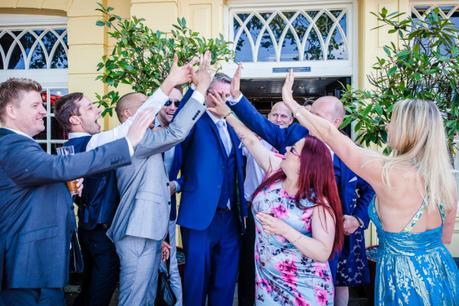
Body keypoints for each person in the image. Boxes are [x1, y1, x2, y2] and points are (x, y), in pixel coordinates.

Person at [281, 70, 459, 305]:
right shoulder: (444, 180)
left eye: (393, 121)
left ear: (408, 130)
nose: (387, 126)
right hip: (442, 271)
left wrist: (291, 102)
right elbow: (445, 238)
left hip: (404, 281)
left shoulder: (388, 173)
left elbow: (331, 135)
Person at [53, 55, 193, 306]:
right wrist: (169, 81)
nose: (97, 109)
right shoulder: (92, 142)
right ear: (74, 119)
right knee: (103, 291)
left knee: (94, 289)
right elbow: (134, 125)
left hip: (92, 228)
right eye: (89, 108)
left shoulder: (70, 147)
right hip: (101, 229)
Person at [0, 78, 154, 306]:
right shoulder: (11, 145)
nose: (43, 112)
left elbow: (28, 193)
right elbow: (59, 167)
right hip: (27, 266)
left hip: (38, 264)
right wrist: (128, 143)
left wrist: (64, 189)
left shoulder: (19, 145)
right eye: (35, 106)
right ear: (11, 110)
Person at [228, 66, 374, 304]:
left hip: (330, 239)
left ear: (336, 122)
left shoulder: (350, 153)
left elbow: (370, 189)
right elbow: (260, 129)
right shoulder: (296, 135)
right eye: (310, 113)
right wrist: (236, 99)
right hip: (285, 253)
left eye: (318, 116)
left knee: (331, 284)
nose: (309, 120)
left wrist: (357, 218)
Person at [207, 91, 344, 305]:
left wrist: (284, 229)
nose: (287, 149)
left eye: (293, 150)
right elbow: (250, 140)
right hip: (267, 284)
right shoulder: (276, 169)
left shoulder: (319, 203)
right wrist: (227, 114)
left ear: (305, 165)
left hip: (304, 288)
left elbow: (323, 251)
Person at [105, 52, 211, 306]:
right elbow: (176, 132)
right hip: (136, 231)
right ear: (129, 113)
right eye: (147, 103)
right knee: (134, 298)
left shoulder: (143, 137)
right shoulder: (133, 138)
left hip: (146, 230)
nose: (155, 105)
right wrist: (201, 89)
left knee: (147, 295)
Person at [176, 73, 248, 306]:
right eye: (218, 94)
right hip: (199, 218)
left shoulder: (234, 125)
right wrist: (196, 86)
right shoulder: (193, 122)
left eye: (227, 96)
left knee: (225, 283)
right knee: (195, 282)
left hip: (231, 219)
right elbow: (178, 123)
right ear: (207, 94)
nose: (223, 100)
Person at [239, 101, 293, 306]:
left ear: (291, 121)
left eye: (283, 116)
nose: (278, 119)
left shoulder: (293, 147)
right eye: (274, 115)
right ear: (267, 117)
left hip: (283, 215)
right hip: (252, 209)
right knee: (249, 263)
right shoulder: (255, 139)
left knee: (278, 264)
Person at [154, 87, 184, 306]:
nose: (172, 107)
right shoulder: (143, 129)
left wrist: (176, 185)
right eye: (167, 102)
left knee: (170, 264)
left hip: (167, 207)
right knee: (146, 265)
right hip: (142, 210)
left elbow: (191, 173)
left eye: (177, 103)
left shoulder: (182, 133)